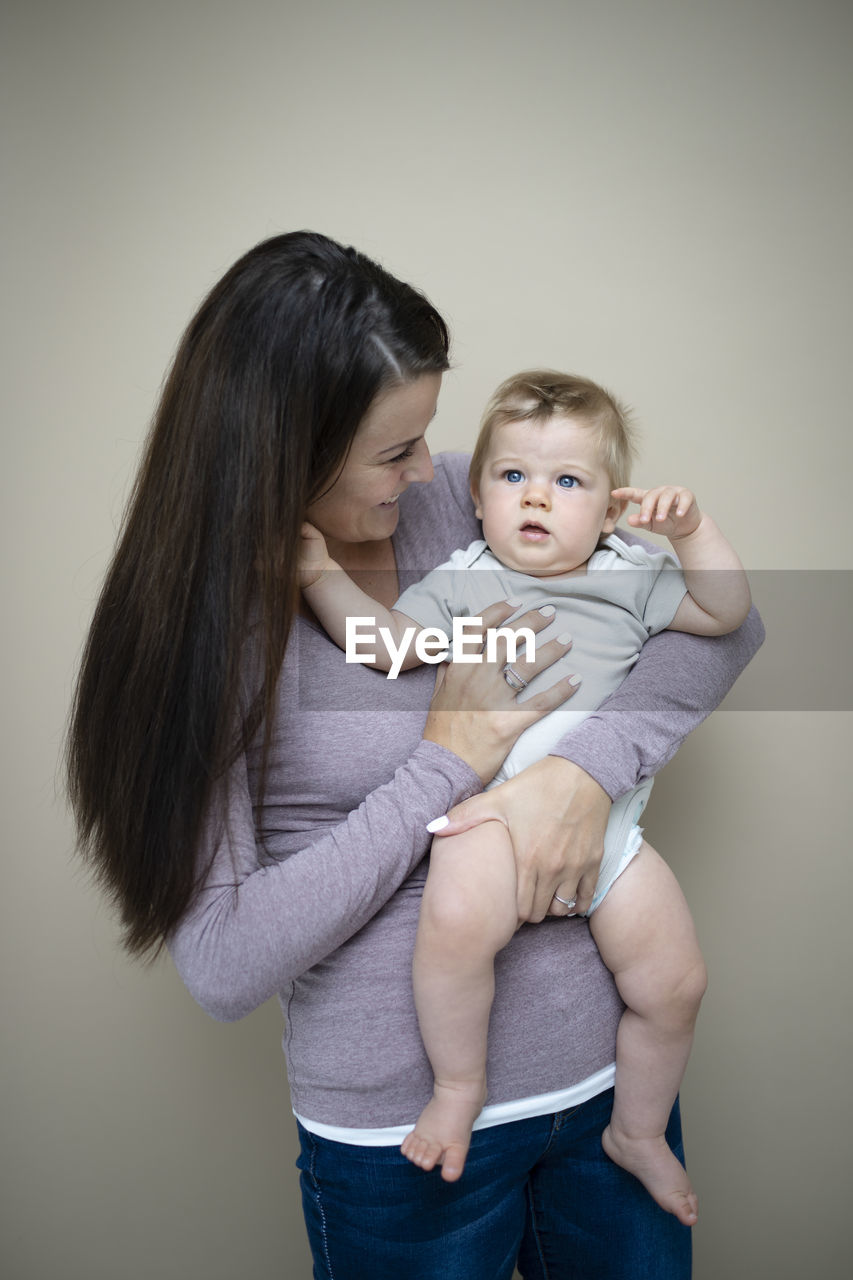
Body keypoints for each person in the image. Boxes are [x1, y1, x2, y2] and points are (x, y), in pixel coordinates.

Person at [66, 232, 764, 1280]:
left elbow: (730, 628)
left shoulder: (476, 502)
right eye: (392, 452)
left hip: (603, 1093)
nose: (423, 475)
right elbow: (222, 960)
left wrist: (587, 768)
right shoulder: (204, 641)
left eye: (426, 438)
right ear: (285, 449)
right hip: (407, 1149)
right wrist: (442, 764)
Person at [300, 370, 751, 1221]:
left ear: (611, 513)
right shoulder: (463, 580)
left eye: (567, 482)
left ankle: (639, 1131)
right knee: (451, 933)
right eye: (512, 478)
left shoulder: (632, 576)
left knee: (676, 983)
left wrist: (694, 534)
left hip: (612, 829)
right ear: (476, 499)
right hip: (492, 814)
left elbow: (726, 613)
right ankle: (457, 1086)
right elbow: (387, 644)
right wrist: (321, 575)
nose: (535, 497)